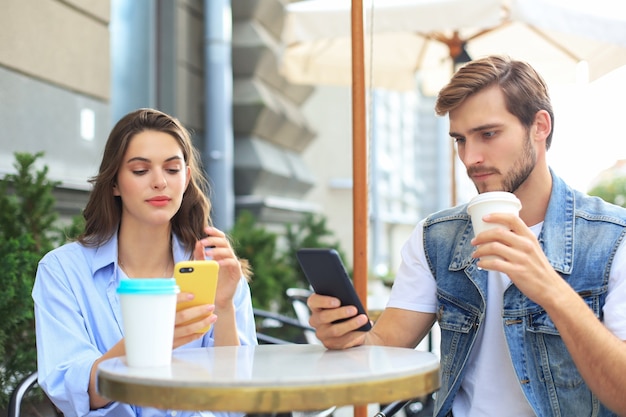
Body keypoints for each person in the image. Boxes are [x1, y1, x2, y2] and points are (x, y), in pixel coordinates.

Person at [307, 55, 626, 417]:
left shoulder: (613, 240)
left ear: (540, 126)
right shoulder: (437, 238)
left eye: (488, 134)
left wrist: (551, 290)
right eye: (460, 140)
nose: (470, 157)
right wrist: (342, 335)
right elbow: (381, 348)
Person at [32, 108, 257, 417]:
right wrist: (148, 343)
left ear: (186, 178)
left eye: (172, 169)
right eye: (140, 170)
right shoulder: (62, 271)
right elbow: (73, 392)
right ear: (114, 183)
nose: (159, 182)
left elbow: (236, 401)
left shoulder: (217, 268)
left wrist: (224, 307)